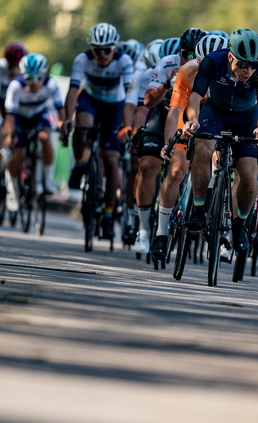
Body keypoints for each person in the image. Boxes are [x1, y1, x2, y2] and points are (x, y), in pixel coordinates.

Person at [183, 28, 258, 254]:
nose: (248, 70)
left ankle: (240, 224)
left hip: (247, 117)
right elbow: (195, 97)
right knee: (203, 148)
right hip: (215, 112)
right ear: (231, 56)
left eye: (253, 65)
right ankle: (199, 208)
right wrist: (193, 120)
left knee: (249, 174)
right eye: (243, 64)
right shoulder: (213, 61)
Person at [150, 34, 229, 260]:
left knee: (218, 161)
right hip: (188, 118)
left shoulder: (229, 75)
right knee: (177, 170)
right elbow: (175, 110)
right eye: (202, 63)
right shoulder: (187, 71)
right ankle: (161, 233)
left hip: (216, 119)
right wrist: (170, 144)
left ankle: (210, 203)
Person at [133, 29, 207, 255]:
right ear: (179, 52)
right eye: (186, 54)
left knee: (185, 168)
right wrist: (167, 83)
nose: (190, 59)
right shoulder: (167, 63)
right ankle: (143, 230)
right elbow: (148, 101)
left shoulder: (207, 68)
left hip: (193, 118)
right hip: (165, 113)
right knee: (148, 166)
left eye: (196, 55)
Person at [61, 23, 134, 239]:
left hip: (115, 106)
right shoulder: (82, 60)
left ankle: (109, 215)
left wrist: (127, 124)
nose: (101, 55)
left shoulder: (124, 61)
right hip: (91, 101)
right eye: (96, 50)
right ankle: (79, 165)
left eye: (106, 50)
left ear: (115, 48)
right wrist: (67, 119)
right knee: (82, 123)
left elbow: (129, 94)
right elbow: (73, 90)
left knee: (111, 161)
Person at [3, 53, 66, 213]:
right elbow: (10, 116)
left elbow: (60, 109)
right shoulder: (15, 86)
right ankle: (13, 189)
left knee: (45, 137)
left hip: (38, 116)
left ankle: (48, 180)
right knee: (17, 154)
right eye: (28, 78)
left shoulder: (51, 84)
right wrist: (10, 135)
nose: (34, 83)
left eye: (39, 78)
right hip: (19, 118)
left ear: (45, 74)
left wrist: (62, 126)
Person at [0, 41, 28, 213]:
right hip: (0, 107)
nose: (14, 72)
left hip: (17, 108)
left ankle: (24, 169)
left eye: (17, 68)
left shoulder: (28, 68)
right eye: (12, 67)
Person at [116, 39, 147, 245]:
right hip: (117, 109)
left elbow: (140, 107)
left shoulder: (143, 72)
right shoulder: (116, 69)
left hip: (138, 112)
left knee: (137, 166)